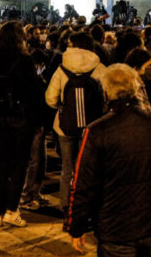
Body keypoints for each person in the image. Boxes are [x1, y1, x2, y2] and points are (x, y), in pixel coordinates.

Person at [67, 64, 151, 257]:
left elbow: (83, 183)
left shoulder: (97, 131)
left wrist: (76, 225)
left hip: (116, 228)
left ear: (106, 93)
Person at [0, 20, 42, 227]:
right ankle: (12, 209)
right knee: (19, 164)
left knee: (0, 164)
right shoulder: (25, 61)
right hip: (22, 116)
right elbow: (33, 92)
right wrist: (38, 120)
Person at [45, 30, 106, 210]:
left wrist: (63, 107)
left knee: (67, 169)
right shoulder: (100, 68)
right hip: (92, 127)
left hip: (65, 126)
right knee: (89, 168)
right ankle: (88, 206)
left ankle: (67, 206)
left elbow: (50, 99)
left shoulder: (62, 68)